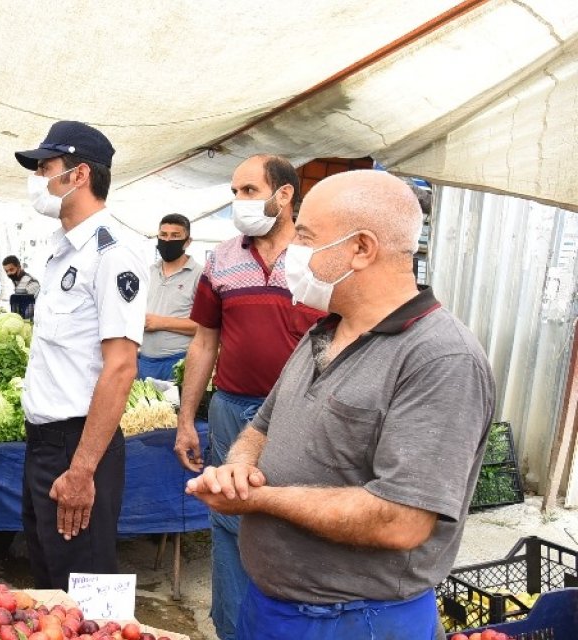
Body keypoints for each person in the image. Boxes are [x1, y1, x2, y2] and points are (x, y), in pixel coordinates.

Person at [186, 170, 494, 639]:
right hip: (273, 606)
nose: (292, 251)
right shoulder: (324, 329)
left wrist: (259, 500)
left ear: (362, 248)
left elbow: (401, 520)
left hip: (355, 620)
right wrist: (239, 468)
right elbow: (262, 426)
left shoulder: (441, 358)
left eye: (305, 236)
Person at [172, 154, 325, 640]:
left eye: (249, 191)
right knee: (228, 518)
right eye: (235, 192)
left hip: (303, 415)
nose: (239, 202)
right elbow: (203, 342)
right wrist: (184, 420)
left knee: (298, 520)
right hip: (232, 409)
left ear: (284, 195)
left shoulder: (318, 260)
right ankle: (233, 629)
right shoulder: (221, 259)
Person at [12, 120, 148, 589]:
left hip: (78, 446)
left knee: (84, 593)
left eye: (45, 167)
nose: (37, 179)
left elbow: (121, 366)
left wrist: (82, 469)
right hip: (45, 443)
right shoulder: (62, 253)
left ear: (79, 174)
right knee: (50, 581)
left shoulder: (112, 254)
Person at [137, 214, 202, 381]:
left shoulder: (200, 275)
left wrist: (160, 322)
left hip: (178, 362)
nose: (167, 241)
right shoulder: (148, 272)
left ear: (187, 241)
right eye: (163, 235)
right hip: (143, 360)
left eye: (175, 236)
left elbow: (207, 326)